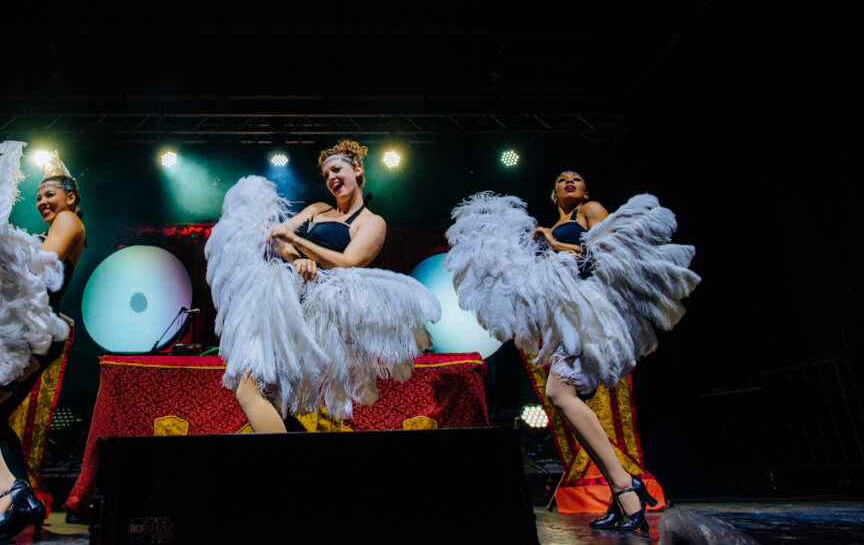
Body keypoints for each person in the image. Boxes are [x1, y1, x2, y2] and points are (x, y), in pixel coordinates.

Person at [446, 171, 699, 532]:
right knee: (562, 397)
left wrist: (552, 243)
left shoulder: (591, 211)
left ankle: (627, 488)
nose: (569, 181)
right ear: (552, 194)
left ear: (586, 191)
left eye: (576, 179)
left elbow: (602, 255)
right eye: (562, 179)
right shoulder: (556, 225)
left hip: (589, 311)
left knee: (558, 393)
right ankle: (621, 491)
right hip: (568, 316)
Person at [205, 139, 439, 433]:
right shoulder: (317, 209)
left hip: (315, 307)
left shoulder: (371, 222)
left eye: (337, 170)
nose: (331, 178)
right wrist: (296, 258)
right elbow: (278, 239)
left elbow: (348, 261)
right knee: (269, 397)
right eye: (326, 175)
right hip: (283, 298)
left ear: (357, 169)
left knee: (249, 390)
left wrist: (301, 247)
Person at [0, 142, 85, 544]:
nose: (42, 200)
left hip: (27, 331)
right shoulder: (61, 224)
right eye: (39, 196)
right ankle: (17, 502)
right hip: (35, 331)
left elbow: (38, 272)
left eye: (50, 194)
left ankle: (13, 493)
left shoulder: (69, 222)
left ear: (71, 197)